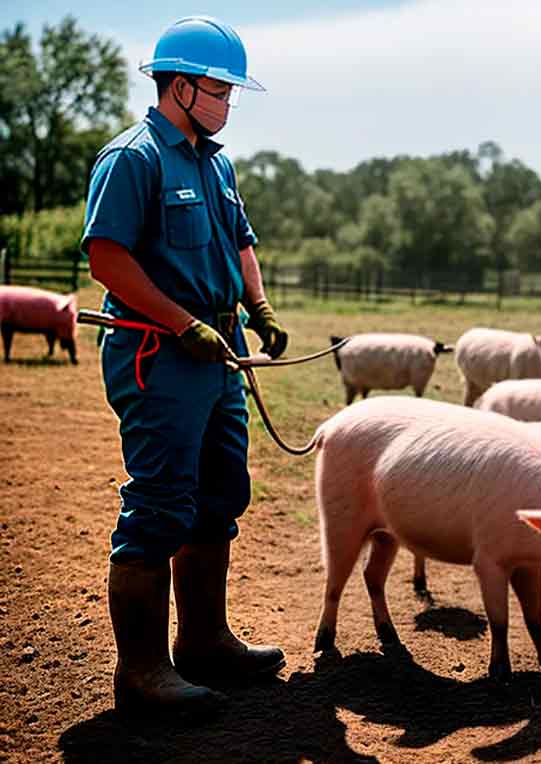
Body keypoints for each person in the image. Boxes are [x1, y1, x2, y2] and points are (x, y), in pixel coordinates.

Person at [81, 16, 289, 718]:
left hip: (220, 351)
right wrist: (182, 322)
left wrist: (257, 309)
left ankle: (204, 642)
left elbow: (241, 242)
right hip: (159, 352)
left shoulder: (215, 161)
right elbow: (107, 256)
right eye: (219, 88)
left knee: (219, 494)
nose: (229, 101)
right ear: (178, 85)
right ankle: (141, 674)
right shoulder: (132, 158)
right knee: (161, 501)